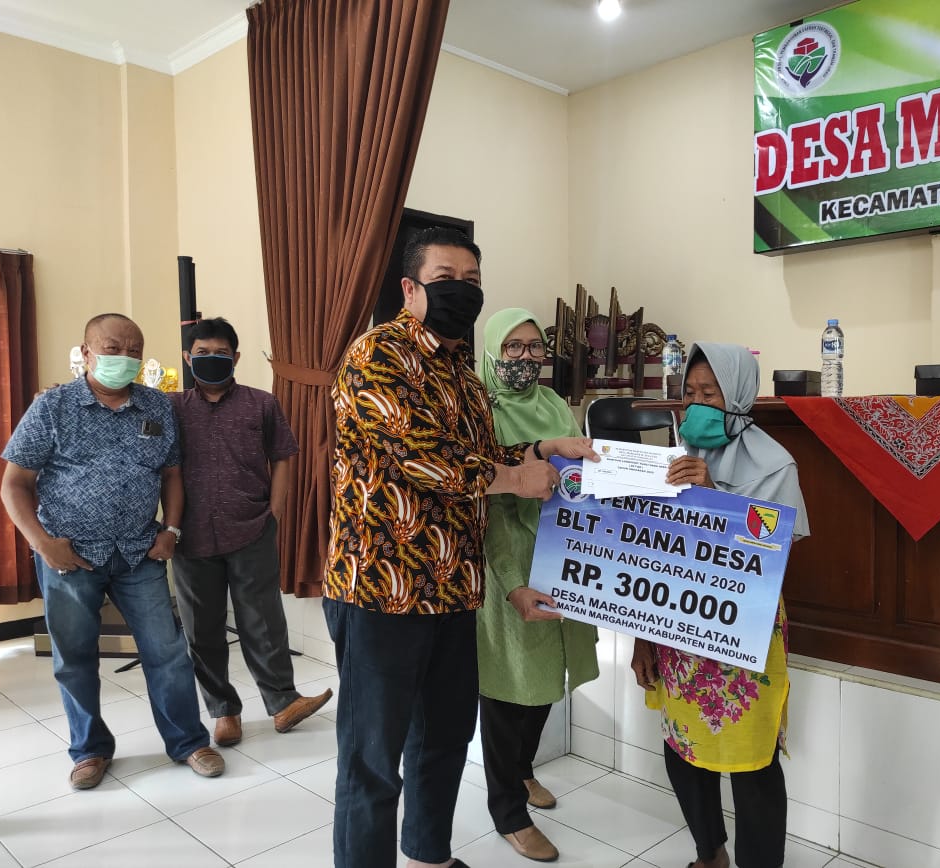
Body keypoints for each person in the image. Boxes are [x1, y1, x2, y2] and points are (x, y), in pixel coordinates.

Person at [323, 227, 597, 868]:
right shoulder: (378, 355)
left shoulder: (463, 375)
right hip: (382, 587)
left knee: (444, 738)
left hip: (453, 588)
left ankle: (429, 855)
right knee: (372, 757)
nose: (461, 292)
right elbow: (424, 458)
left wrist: (543, 449)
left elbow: (483, 454)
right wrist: (518, 479)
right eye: (445, 278)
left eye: (472, 281)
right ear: (410, 288)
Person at [0, 313, 224, 790]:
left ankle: (188, 741)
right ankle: (89, 750)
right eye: (112, 348)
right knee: (74, 658)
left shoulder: (156, 405)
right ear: (86, 352)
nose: (124, 357)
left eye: (133, 350)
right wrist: (42, 544)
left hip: (139, 552)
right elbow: (14, 484)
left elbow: (171, 474)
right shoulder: (52, 407)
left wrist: (172, 530)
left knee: (167, 652)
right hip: (70, 556)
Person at [631, 343, 810, 868]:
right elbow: (647, 553)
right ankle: (710, 854)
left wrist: (714, 496)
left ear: (739, 397)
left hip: (744, 632)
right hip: (677, 627)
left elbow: (769, 556)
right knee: (683, 747)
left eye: (710, 394)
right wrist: (643, 635)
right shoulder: (671, 458)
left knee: (754, 763)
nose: (696, 405)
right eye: (689, 393)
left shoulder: (775, 464)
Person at [169, 317, 331, 748]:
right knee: (202, 629)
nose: (212, 359)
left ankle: (283, 702)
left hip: (252, 527)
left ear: (236, 357)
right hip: (191, 536)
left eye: (221, 353)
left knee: (264, 621)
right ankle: (223, 711)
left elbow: (284, 456)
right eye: (202, 353)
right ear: (187, 358)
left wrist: (274, 511)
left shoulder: (262, 403)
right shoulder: (172, 408)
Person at [476, 308, 600, 862]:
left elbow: (581, 476)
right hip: (507, 558)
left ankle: (523, 770)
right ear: (492, 351)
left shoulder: (553, 404)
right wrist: (509, 582)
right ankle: (507, 810)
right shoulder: (480, 408)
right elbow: (487, 508)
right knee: (508, 687)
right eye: (513, 347)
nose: (525, 358)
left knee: (548, 677)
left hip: (561, 555)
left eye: (534, 348)